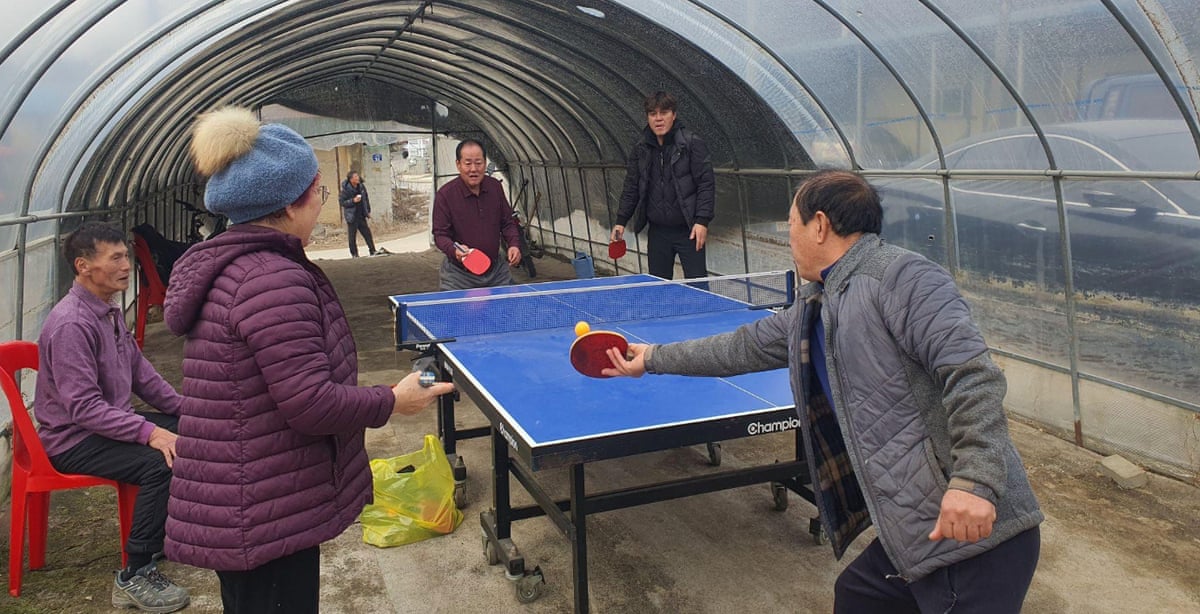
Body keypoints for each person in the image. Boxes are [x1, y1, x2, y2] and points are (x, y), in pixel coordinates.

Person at [603, 170, 1043, 613]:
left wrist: (975, 483)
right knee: (856, 595)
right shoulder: (818, 301)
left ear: (819, 224)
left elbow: (972, 375)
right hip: (916, 526)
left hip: (975, 535)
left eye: (790, 225)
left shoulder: (904, 278)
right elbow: (742, 346)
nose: (788, 238)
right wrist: (652, 358)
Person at [163, 106, 454, 614]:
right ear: (294, 202)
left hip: (253, 493)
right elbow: (310, 402)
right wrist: (393, 400)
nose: (321, 202)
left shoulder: (235, 265)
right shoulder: (271, 278)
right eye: (318, 191)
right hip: (264, 505)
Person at [34, 221, 190, 613]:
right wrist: (149, 432)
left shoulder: (106, 310)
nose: (126, 265)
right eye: (116, 257)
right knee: (161, 461)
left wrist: (187, 410)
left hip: (107, 424)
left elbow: (142, 374)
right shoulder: (72, 323)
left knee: (195, 433)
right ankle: (135, 572)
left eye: (126, 256)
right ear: (84, 266)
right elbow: (83, 408)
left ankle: (167, 534)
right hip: (73, 439)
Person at [610, 91, 715, 279]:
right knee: (659, 288)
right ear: (647, 117)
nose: (658, 119)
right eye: (652, 114)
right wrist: (621, 221)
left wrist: (701, 221)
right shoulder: (641, 148)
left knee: (698, 288)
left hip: (689, 231)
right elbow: (632, 186)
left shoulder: (691, 144)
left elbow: (706, 185)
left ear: (673, 115)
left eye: (664, 113)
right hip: (658, 232)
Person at [431, 139, 521, 290]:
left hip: (497, 272)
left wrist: (514, 244)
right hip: (459, 276)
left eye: (478, 163)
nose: (473, 169)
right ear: (458, 164)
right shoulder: (445, 195)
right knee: (455, 313)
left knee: (507, 310)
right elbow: (440, 235)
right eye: (468, 163)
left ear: (485, 164)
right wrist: (454, 250)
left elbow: (507, 222)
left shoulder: (495, 188)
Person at [338, 170, 378, 257]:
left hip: (361, 215)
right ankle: (354, 254)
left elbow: (366, 199)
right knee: (352, 237)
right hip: (352, 216)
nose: (358, 178)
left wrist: (368, 211)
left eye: (358, 176)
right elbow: (342, 202)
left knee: (367, 234)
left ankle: (373, 250)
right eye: (355, 177)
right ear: (351, 179)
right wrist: (353, 200)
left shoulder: (361, 187)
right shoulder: (346, 189)